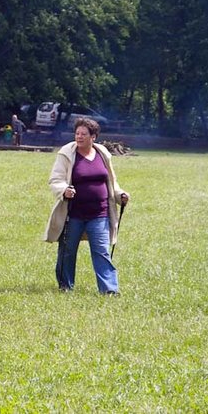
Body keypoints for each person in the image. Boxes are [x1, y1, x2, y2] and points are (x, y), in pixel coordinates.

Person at [44, 118, 129, 294]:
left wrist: (120, 195)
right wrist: (64, 190)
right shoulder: (67, 153)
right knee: (67, 252)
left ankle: (109, 290)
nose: (79, 137)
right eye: (77, 133)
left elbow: (112, 182)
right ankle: (65, 286)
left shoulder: (102, 154)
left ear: (93, 137)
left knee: (101, 252)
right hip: (73, 214)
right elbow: (55, 180)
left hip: (100, 213)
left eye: (84, 134)